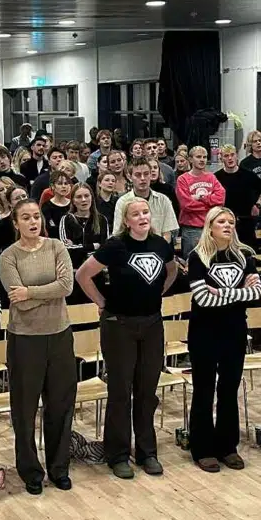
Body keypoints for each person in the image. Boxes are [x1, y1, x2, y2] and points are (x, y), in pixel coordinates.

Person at [75, 197, 178, 479]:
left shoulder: (160, 244)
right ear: (126, 219)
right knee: (120, 391)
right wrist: (101, 303)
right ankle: (117, 454)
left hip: (152, 323)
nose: (143, 217)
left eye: (146, 212)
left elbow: (172, 269)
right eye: (136, 213)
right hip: (119, 325)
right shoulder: (116, 245)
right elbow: (84, 275)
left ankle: (147, 452)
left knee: (147, 390)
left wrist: (159, 292)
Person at [0, 199, 76, 494]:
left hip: (59, 334)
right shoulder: (9, 256)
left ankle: (59, 467)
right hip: (25, 339)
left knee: (60, 405)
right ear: (15, 223)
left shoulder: (57, 247)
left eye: (36, 217)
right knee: (25, 408)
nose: (33, 222)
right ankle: (30, 469)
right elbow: (17, 300)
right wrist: (47, 292)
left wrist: (31, 292)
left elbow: (67, 286)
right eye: (26, 218)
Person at [185, 207, 261, 472]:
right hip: (204, 332)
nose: (227, 225)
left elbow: (255, 296)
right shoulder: (198, 257)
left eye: (231, 221)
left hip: (235, 330)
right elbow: (202, 299)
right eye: (221, 221)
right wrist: (238, 291)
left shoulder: (244, 256)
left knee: (229, 389)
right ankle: (202, 448)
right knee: (204, 389)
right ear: (210, 226)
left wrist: (221, 292)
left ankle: (228, 446)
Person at [213, 145, 261, 251]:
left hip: (247, 221)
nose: (230, 158)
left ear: (237, 156)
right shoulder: (216, 177)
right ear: (221, 159)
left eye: (232, 155)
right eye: (226, 156)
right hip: (226, 223)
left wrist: (258, 205)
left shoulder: (249, 175)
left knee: (248, 253)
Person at [113, 159, 179, 244]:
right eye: (138, 175)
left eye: (146, 174)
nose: (143, 178)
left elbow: (167, 234)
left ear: (151, 175)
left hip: (159, 250)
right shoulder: (122, 202)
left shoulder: (163, 200)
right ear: (129, 177)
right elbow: (118, 234)